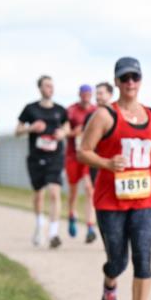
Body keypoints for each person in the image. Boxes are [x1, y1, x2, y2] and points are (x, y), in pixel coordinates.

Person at [78, 57, 151, 300]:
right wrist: (107, 163)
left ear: (141, 80)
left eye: (135, 77)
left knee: (143, 259)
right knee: (118, 261)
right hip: (111, 201)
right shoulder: (105, 116)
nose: (130, 82)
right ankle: (110, 282)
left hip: (147, 200)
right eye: (125, 78)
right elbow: (83, 151)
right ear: (117, 82)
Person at [17, 75, 71, 248]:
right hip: (35, 157)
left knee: (55, 191)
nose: (50, 88)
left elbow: (67, 127)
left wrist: (63, 133)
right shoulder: (30, 109)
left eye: (52, 86)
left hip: (55, 156)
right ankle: (40, 225)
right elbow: (17, 130)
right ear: (40, 88)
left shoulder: (60, 110)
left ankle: (54, 232)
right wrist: (31, 128)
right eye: (47, 85)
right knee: (39, 194)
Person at [65, 85, 98, 243]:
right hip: (73, 155)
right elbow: (64, 131)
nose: (86, 96)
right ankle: (71, 214)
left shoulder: (96, 111)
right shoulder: (71, 110)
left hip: (87, 155)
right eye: (83, 93)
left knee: (89, 189)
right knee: (73, 191)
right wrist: (75, 131)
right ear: (79, 94)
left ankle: (90, 226)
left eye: (88, 93)